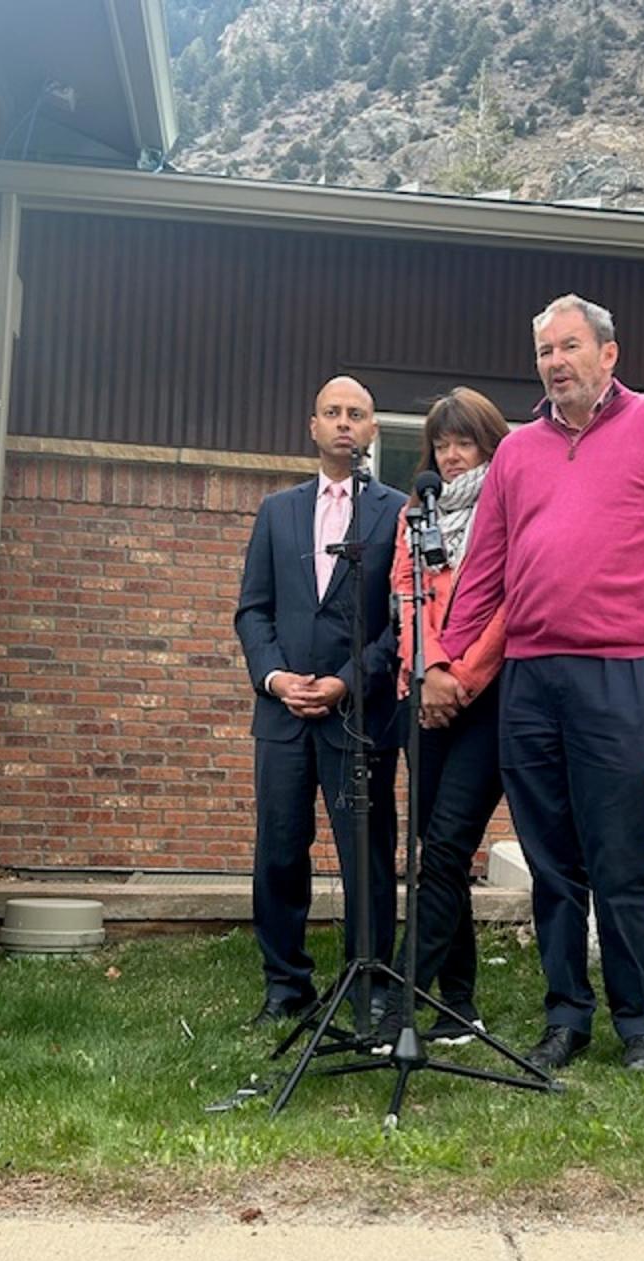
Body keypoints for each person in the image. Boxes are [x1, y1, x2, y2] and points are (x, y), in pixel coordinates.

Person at [440, 294, 644, 1072]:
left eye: (569, 346)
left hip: (616, 676)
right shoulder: (517, 453)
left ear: (609, 353)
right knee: (551, 861)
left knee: (619, 857)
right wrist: (443, 654)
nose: (556, 362)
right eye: (545, 351)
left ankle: (640, 1022)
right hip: (531, 680)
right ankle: (566, 1016)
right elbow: (486, 570)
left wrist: (643, 594)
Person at [235, 376, 407, 1025]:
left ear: (370, 430)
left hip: (358, 718)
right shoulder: (277, 512)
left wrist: (346, 680)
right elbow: (253, 611)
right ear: (313, 426)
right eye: (332, 412)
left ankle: (372, 982)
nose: (343, 423)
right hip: (281, 716)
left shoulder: (395, 512)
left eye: (355, 414)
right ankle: (285, 985)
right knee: (279, 848)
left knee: (366, 852)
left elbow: (400, 622)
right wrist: (277, 679)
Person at [375, 388, 509, 1049]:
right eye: (443, 443)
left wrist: (459, 678)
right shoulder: (413, 516)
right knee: (435, 856)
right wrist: (423, 677)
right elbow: (407, 603)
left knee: (448, 849)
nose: (452, 455)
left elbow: (511, 609)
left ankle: (400, 1006)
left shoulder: (510, 510)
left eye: (466, 442)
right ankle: (459, 1006)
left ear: (489, 444)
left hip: (485, 703)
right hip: (418, 700)